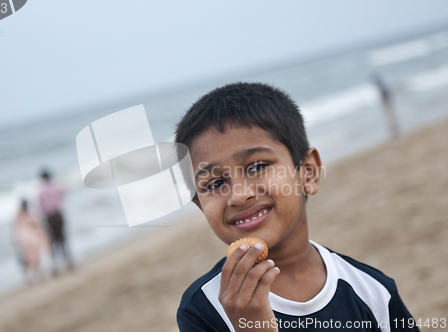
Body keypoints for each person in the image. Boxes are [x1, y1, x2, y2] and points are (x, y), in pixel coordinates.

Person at [175, 83, 418, 331]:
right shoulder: (204, 309)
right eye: (215, 183)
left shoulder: (373, 292)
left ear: (308, 173)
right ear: (201, 206)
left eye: (257, 166)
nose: (239, 195)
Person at [38, 169, 74, 272]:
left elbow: (39, 206)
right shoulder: (57, 187)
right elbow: (64, 195)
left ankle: (55, 265)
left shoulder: (41, 191)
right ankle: (68, 261)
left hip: (49, 217)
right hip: (58, 214)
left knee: (51, 242)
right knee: (63, 238)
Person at [13, 199, 50, 282]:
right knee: (35, 257)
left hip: (22, 239)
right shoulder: (29, 214)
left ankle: (28, 276)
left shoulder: (17, 216)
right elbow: (37, 224)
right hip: (31, 238)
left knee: (27, 258)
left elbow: (16, 228)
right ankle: (38, 274)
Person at [373, 74, 400, 140]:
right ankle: (394, 129)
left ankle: (394, 129)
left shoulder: (382, 86)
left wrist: (385, 101)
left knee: (390, 116)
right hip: (388, 102)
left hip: (387, 103)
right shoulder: (384, 85)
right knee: (391, 116)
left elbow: (385, 95)